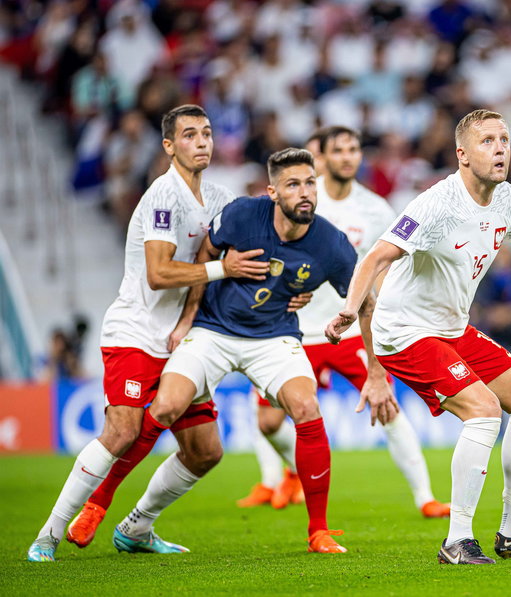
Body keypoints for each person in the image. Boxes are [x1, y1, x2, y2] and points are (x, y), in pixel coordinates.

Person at [326, 109, 511, 564]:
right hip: (405, 331)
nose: (500, 148)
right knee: (484, 411)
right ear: (462, 155)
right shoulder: (436, 205)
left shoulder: (505, 197)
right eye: (487, 140)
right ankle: (457, 541)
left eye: (504, 138)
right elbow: (375, 257)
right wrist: (350, 309)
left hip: (452, 328)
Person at [27, 104, 270, 562]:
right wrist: (223, 268)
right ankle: (48, 535)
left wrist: (187, 321)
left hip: (179, 337)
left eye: (207, 134)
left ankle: (136, 527)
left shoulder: (216, 199)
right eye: (190, 135)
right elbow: (159, 273)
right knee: (122, 431)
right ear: (169, 146)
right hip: (135, 333)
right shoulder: (163, 195)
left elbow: (208, 266)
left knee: (205, 451)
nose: (202, 142)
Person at [104, 148, 358, 555]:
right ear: (273, 192)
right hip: (214, 329)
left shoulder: (332, 244)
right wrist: (190, 314)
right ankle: (99, 505)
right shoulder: (243, 215)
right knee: (165, 407)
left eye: (310, 182)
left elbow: (363, 297)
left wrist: (348, 320)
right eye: (294, 184)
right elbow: (206, 252)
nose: (305, 192)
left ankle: (318, 532)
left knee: (307, 407)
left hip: (273, 337)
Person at [239, 126, 450, 518]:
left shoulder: (375, 209)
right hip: (293, 329)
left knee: (386, 404)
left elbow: (386, 266)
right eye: (340, 150)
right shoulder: (302, 197)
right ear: (322, 155)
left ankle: (426, 497)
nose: (349, 157)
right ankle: (291, 474)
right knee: (268, 421)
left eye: (354, 149)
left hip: (351, 330)